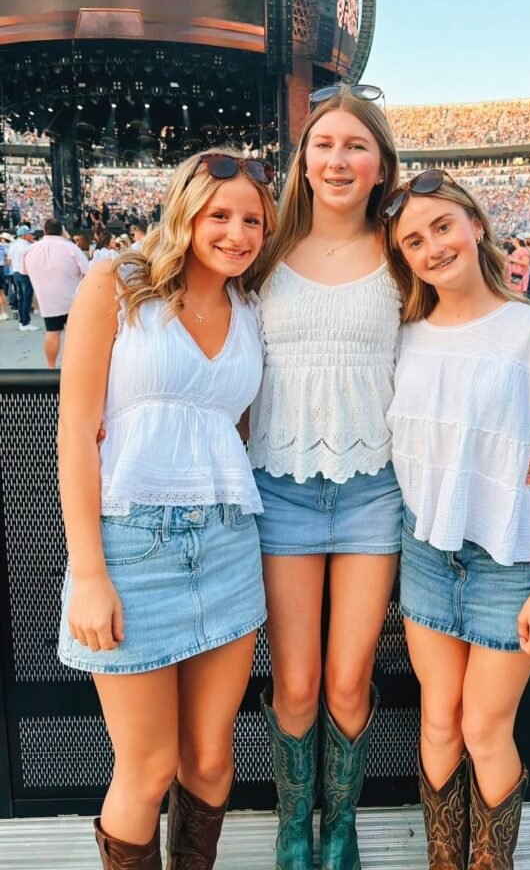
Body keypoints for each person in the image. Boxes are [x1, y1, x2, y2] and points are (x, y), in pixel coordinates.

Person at [246, 85, 530, 870]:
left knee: (348, 683)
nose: (337, 159)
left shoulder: (400, 252)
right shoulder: (265, 246)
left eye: (355, 146)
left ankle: (338, 826)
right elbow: (204, 332)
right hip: (279, 487)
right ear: (302, 161)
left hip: (376, 492)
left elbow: (469, 344)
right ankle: (290, 828)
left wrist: (522, 443)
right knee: (298, 684)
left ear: (381, 164)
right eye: (323, 145)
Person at [57, 149, 276, 870]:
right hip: (131, 545)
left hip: (227, 543)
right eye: (220, 215)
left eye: (252, 219)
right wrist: (89, 571)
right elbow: (75, 434)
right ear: (184, 211)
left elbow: (231, 427)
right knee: (147, 769)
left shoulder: (250, 308)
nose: (237, 233)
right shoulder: (115, 285)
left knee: (211, 762)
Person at [382, 170, 530, 870]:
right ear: (403, 257)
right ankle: (446, 860)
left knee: (483, 727)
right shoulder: (402, 336)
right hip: (426, 557)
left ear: (475, 225)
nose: (432, 246)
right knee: (437, 722)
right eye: (413, 240)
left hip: (509, 563)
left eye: (442, 226)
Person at [22, 217, 89, 367]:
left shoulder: (31, 250)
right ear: (62, 230)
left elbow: (24, 272)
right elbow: (87, 271)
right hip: (73, 299)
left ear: (44, 231)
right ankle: (74, 366)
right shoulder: (71, 248)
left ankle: (51, 367)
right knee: (75, 335)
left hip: (47, 300)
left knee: (52, 332)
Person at [8, 225, 38, 331]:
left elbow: (9, 261)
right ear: (25, 235)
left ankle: (22, 321)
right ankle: (26, 322)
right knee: (27, 298)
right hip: (25, 273)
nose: (32, 235)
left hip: (16, 272)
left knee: (21, 297)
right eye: (30, 234)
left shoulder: (13, 245)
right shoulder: (27, 247)